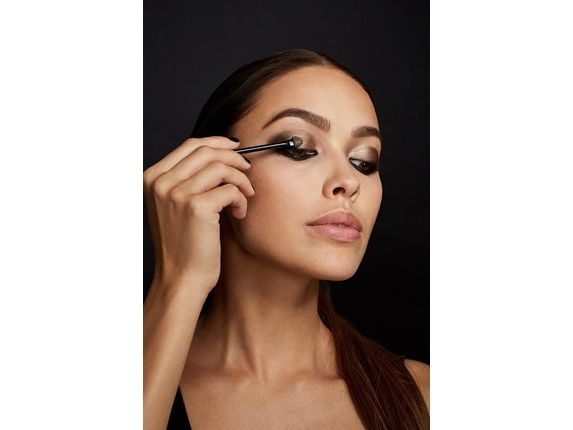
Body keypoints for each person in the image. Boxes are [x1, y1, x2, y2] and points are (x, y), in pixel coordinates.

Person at [143, 48, 429, 430]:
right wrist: (179, 280)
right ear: (213, 172)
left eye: (364, 161)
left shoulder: (425, 397)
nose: (349, 181)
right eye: (299, 147)